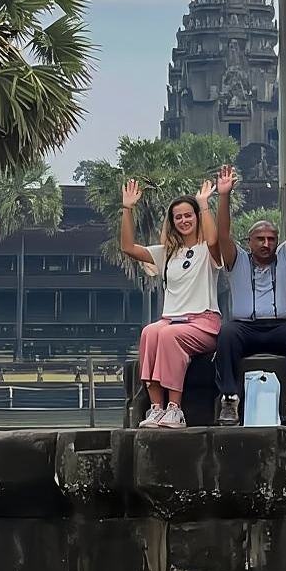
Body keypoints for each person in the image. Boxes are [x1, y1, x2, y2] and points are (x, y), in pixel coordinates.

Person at [213, 161, 286, 426]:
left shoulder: (285, 257)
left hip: (281, 327)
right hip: (245, 328)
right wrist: (223, 196)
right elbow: (222, 233)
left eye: (271, 238)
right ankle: (229, 399)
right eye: (260, 239)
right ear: (250, 242)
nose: (266, 244)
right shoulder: (237, 260)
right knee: (226, 333)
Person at [121, 178, 222, 429]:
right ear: (172, 222)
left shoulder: (207, 249)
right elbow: (127, 247)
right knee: (150, 333)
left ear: (197, 217)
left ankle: (175, 409)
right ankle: (156, 408)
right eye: (178, 217)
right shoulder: (166, 252)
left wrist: (204, 204)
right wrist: (127, 209)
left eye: (189, 215)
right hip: (171, 320)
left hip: (203, 323)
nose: (184, 221)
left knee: (168, 336)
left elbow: (213, 240)